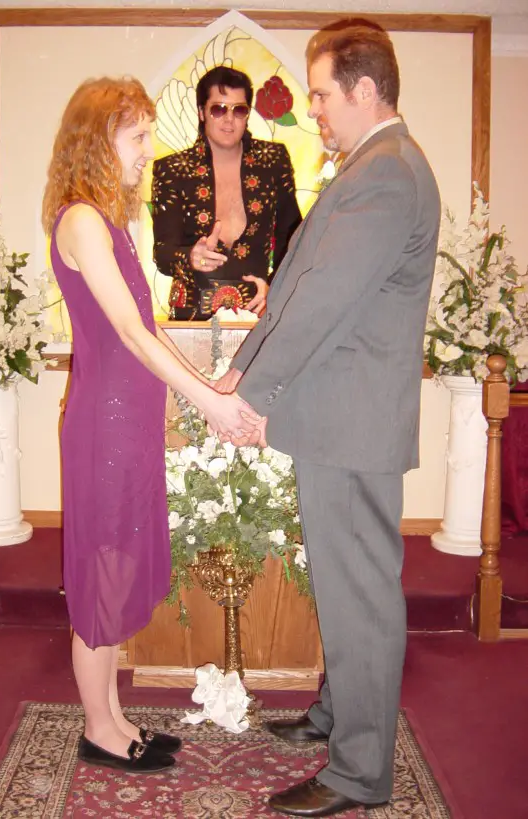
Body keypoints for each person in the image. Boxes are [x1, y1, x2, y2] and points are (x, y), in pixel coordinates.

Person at [216, 23, 441, 817]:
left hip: (351, 423)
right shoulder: (374, 167)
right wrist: (244, 369)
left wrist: (252, 394)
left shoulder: (388, 173)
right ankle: (337, 717)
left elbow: (323, 300)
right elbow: (300, 282)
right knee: (347, 589)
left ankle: (357, 773)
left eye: (320, 94)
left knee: (363, 596)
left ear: (365, 91)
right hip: (341, 418)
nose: (312, 109)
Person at [41, 77, 260, 775]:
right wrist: (210, 403)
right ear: (98, 142)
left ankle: (111, 715)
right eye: (136, 135)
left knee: (115, 569)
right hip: (104, 429)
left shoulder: (107, 222)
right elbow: (133, 335)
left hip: (125, 425)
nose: (148, 149)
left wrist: (197, 394)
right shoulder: (79, 221)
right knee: (99, 579)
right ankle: (99, 728)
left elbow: (152, 334)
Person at [151, 66, 302, 321]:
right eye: (219, 109)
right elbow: (163, 253)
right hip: (192, 317)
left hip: (259, 314)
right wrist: (190, 257)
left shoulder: (273, 161)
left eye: (239, 110)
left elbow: (294, 239)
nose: (229, 119)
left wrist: (275, 287)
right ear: (202, 112)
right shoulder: (174, 170)